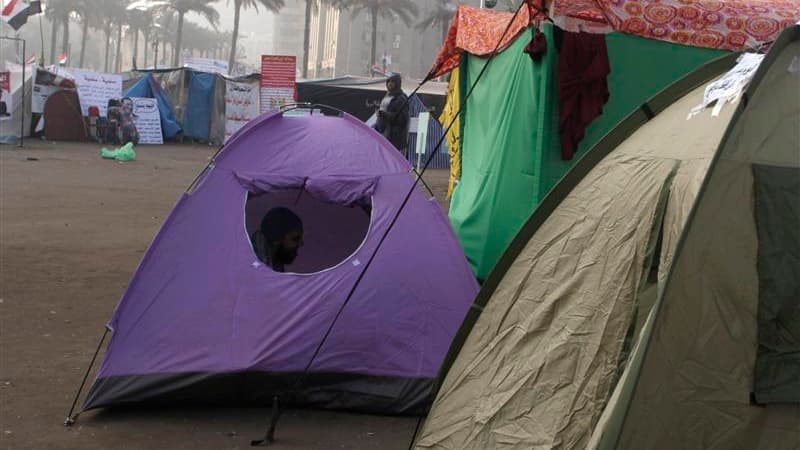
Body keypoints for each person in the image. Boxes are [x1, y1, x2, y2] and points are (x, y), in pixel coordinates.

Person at [251, 207, 304, 272]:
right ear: (276, 239)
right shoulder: (252, 268)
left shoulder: (274, 263)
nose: (301, 243)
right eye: (295, 238)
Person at [373, 73, 409, 154]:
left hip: (393, 139)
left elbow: (402, 120)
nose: (390, 83)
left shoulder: (401, 99)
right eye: (388, 81)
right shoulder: (387, 96)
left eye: (393, 81)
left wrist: (384, 114)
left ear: (398, 83)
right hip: (382, 134)